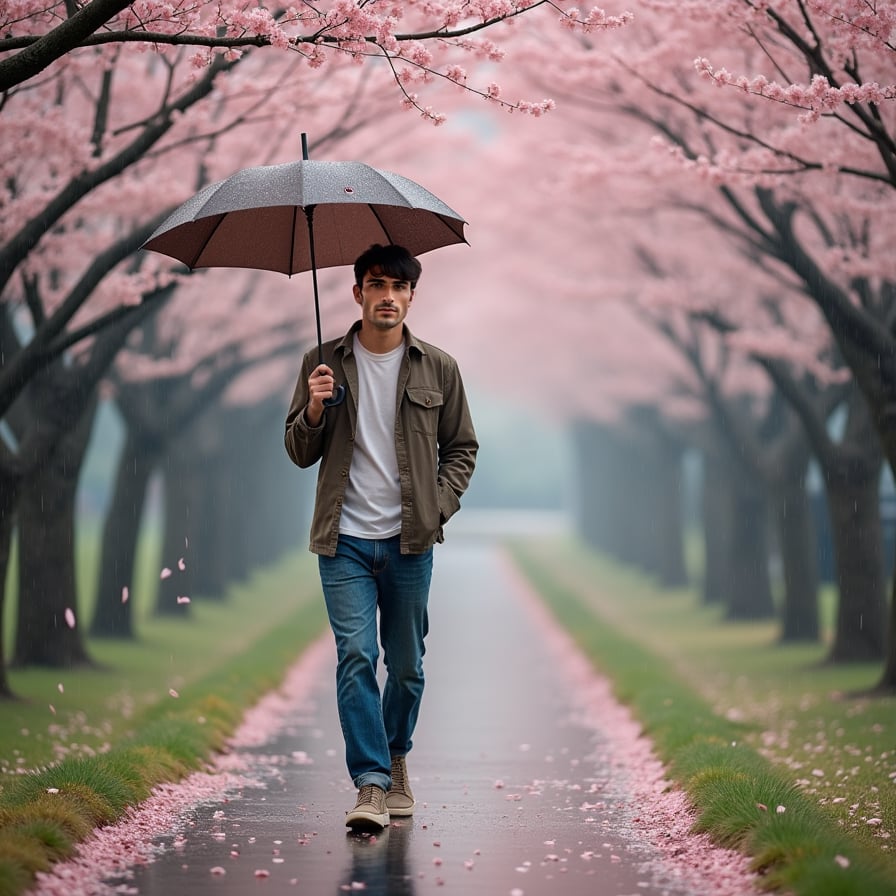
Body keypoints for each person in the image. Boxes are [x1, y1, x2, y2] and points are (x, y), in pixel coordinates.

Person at [284, 243, 478, 831]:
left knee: (408, 664)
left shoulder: (438, 368)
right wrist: (314, 409)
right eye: (376, 285)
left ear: (412, 296)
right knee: (356, 657)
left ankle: (396, 759)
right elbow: (298, 451)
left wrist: (435, 509)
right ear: (357, 293)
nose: (387, 296)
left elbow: (462, 449)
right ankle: (370, 784)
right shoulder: (321, 362)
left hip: (409, 544)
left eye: (398, 287)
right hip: (342, 539)